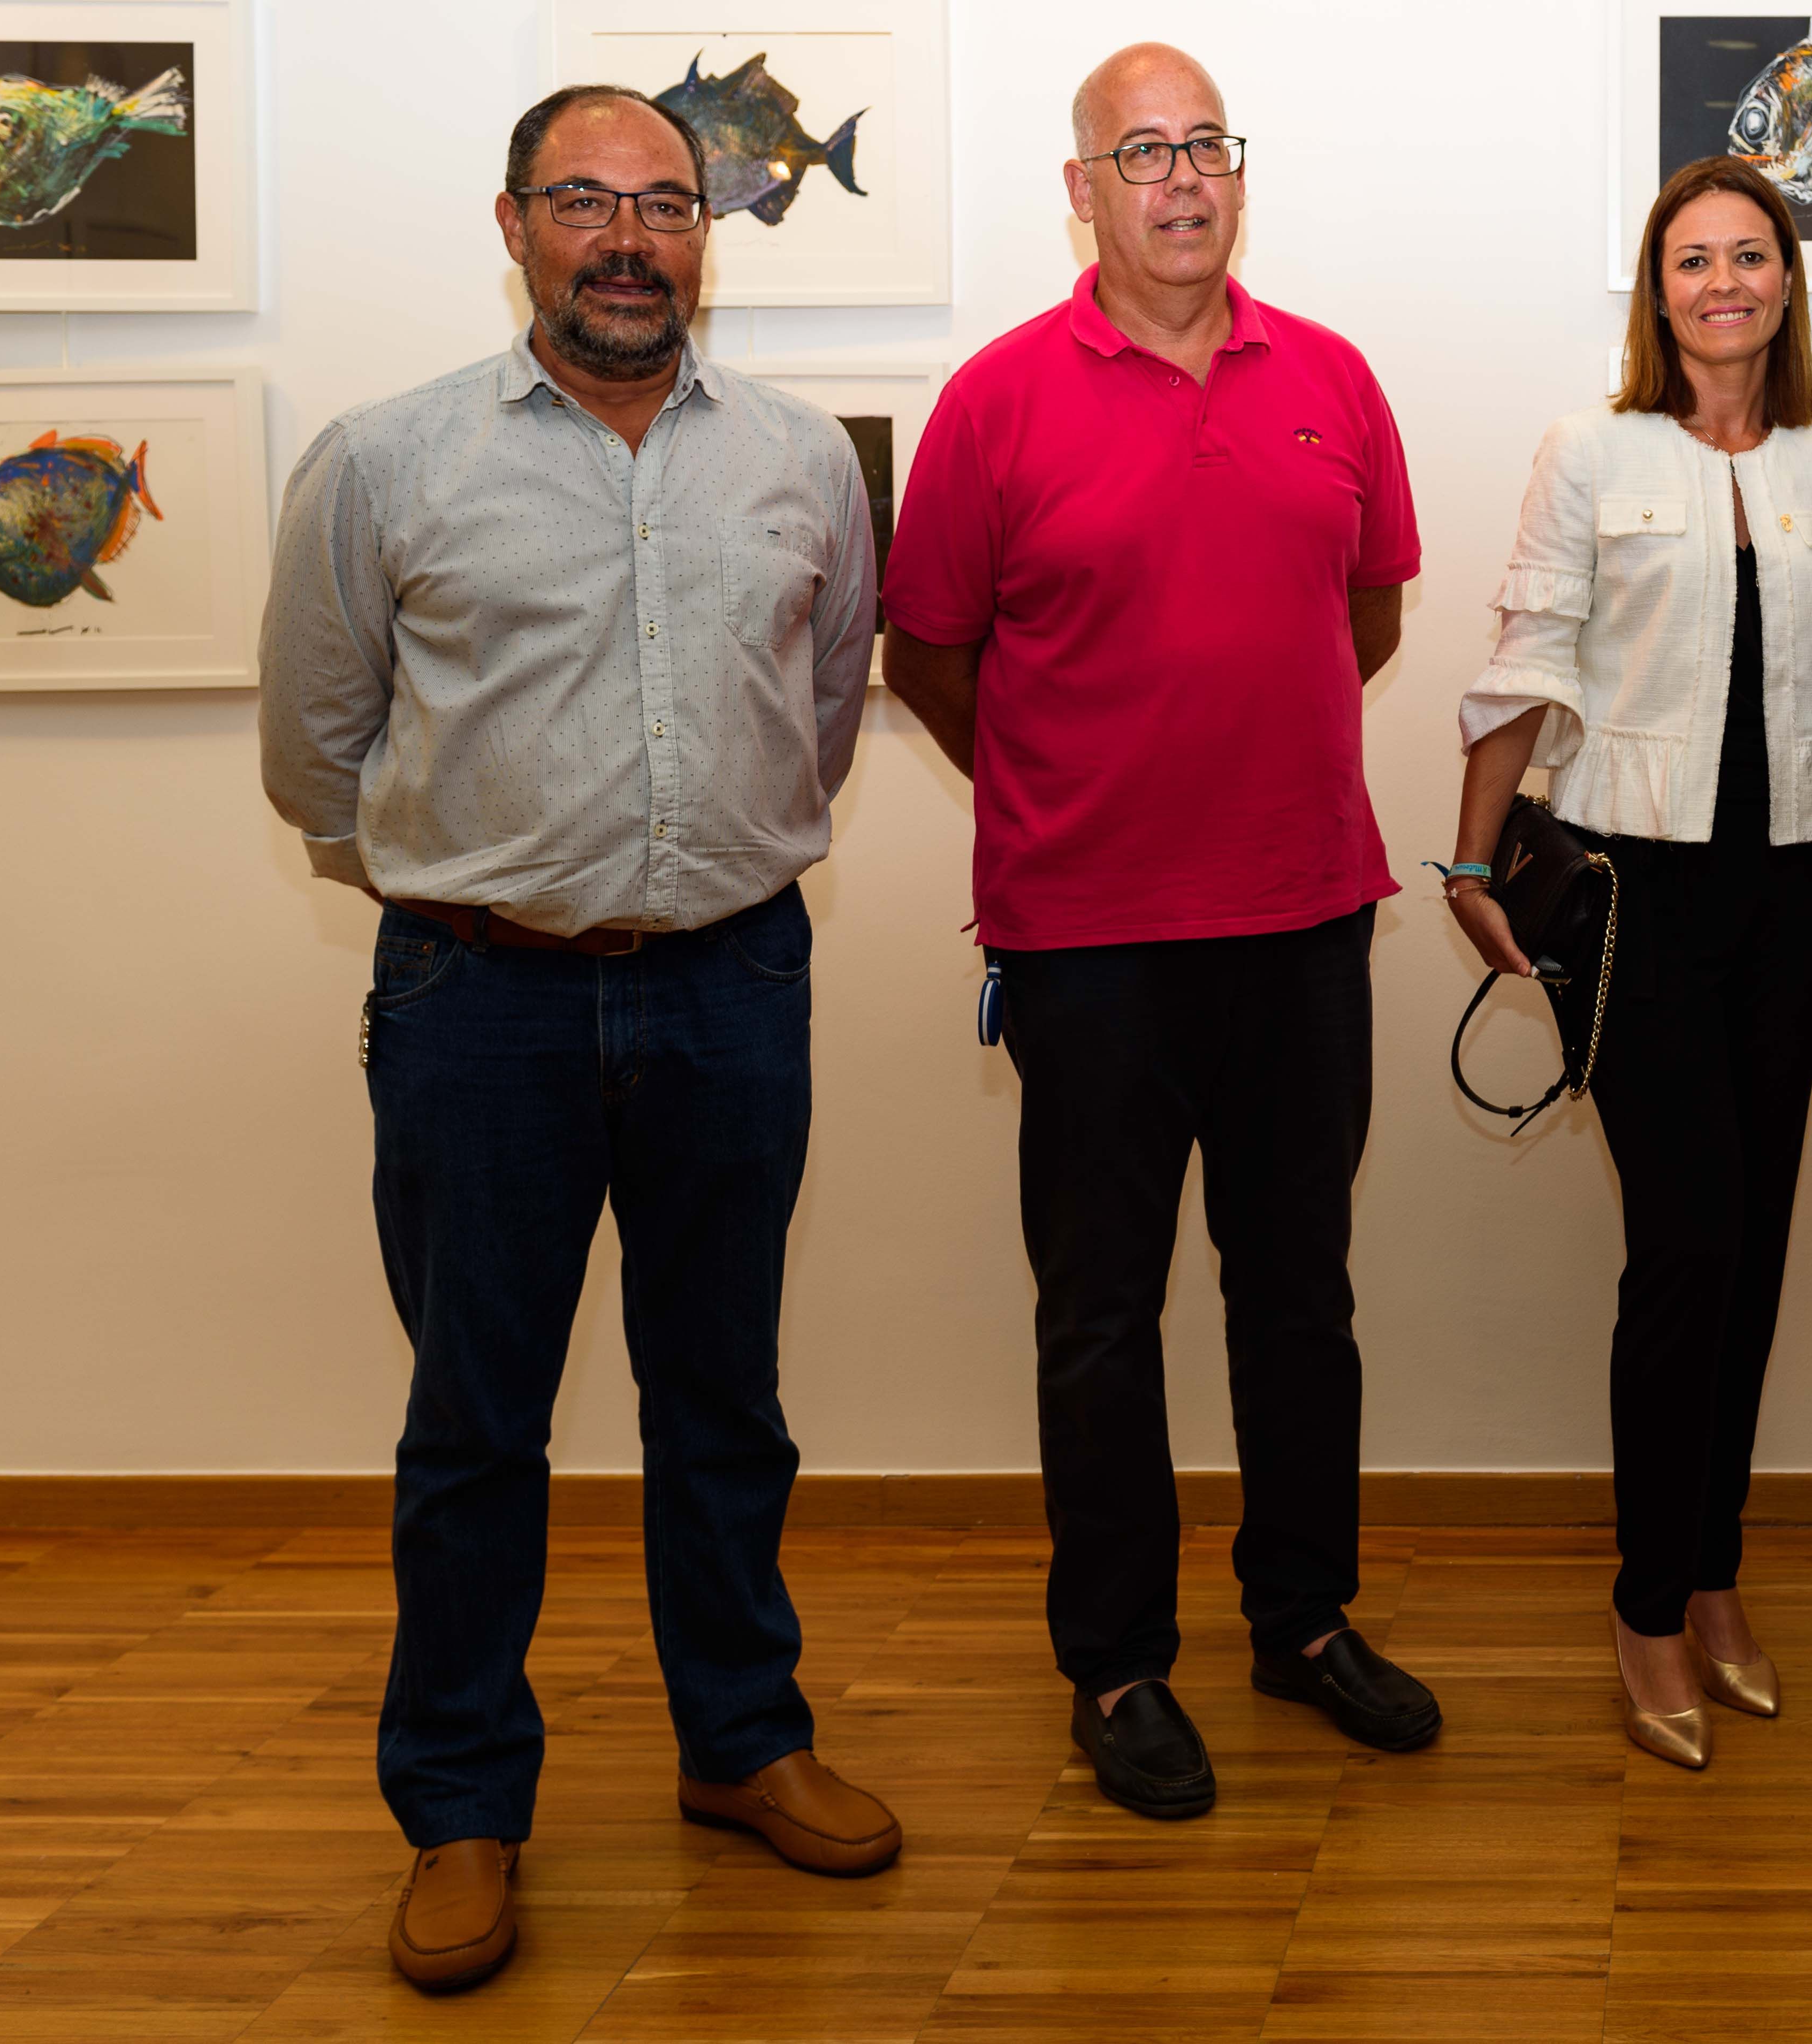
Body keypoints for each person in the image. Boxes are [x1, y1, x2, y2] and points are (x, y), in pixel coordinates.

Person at [257, 86, 901, 1994]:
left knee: (725, 1399)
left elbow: (830, 695)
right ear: (514, 224)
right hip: (481, 1002)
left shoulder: (800, 456)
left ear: (711, 232)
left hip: (731, 982)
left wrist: (704, 859)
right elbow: (317, 751)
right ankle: (461, 1807)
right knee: (476, 1428)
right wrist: (484, 880)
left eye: (666, 205)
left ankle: (742, 1741)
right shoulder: (385, 463)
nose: (630, 238)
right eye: (584, 203)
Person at [877, 42, 1439, 1823]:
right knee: (1100, 1320)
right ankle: (1115, 1663)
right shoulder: (995, 401)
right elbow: (932, 657)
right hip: (1088, 946)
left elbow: (1361, 621)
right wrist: (1077, 790)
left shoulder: (1332, 379)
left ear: (1237, 175)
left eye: (1206, 146)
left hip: (1302, 921)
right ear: (1083, 191)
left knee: (1300, 1301)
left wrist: (1222, 752)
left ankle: (1301, 1619)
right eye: (1141, 152)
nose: (1181, 178)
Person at [1448, 156, 1812, 1771]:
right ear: (1660, 288)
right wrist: (1465, 852)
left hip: (1788, 893)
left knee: (1753, 1245)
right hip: (1631, 895)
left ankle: (1714, 1575)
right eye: (1692, 258)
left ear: (1784, 282)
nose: (1722, 281)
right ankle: (1644, 1603)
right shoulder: (1592, 448)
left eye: (1749, 255)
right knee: (1686, 1241)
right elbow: (1524, 655)